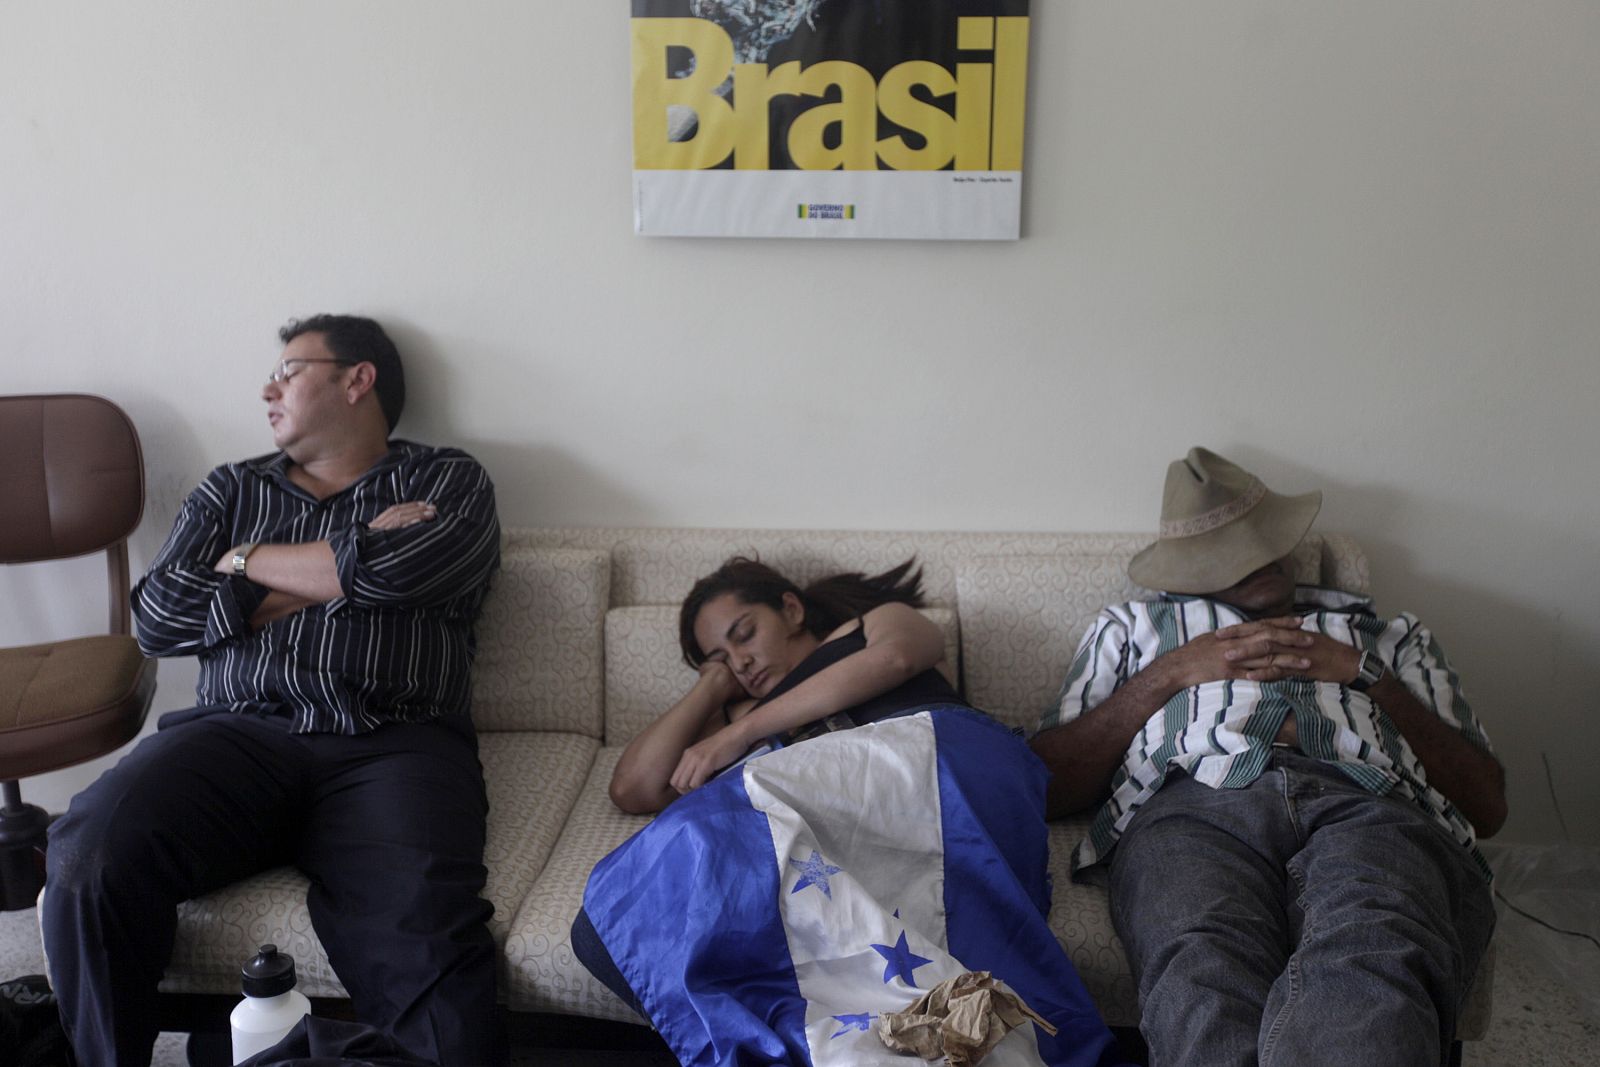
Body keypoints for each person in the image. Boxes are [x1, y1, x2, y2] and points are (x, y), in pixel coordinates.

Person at [42, 315, 506, 1067]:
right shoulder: (232, 486)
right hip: (236, 735)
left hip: (391, 742)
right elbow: (158, 616)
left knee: (430, 955)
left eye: (289, 370)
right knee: (87, 852)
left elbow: (404, 573)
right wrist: (318, 559)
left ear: (358, 379)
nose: (267, 387)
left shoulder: (446, 481)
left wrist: (242, 563)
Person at [1029, 447, 1505, 1067]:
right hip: (1190, 804)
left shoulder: (1390, 635)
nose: (1257, 559)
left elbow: (1487, 806)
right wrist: (1173, 673)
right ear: (1184, 569)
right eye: (1226, 552)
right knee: (1203, 970)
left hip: (1370, 799)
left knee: (1377, 950)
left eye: (1264, 539)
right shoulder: (1131, 628)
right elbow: (1046, 786)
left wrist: (1367, 676)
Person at [578, 556, 1126, 1067]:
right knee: (605, 926)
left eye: (744, 634)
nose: (740, 660)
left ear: (790, 609)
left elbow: (899, 657)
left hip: (929, 764)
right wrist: (712, 685)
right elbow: (634, 786)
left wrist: (740, 732)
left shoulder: (868, 628)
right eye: (720, 657)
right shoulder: (737, 704)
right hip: (836, 832)